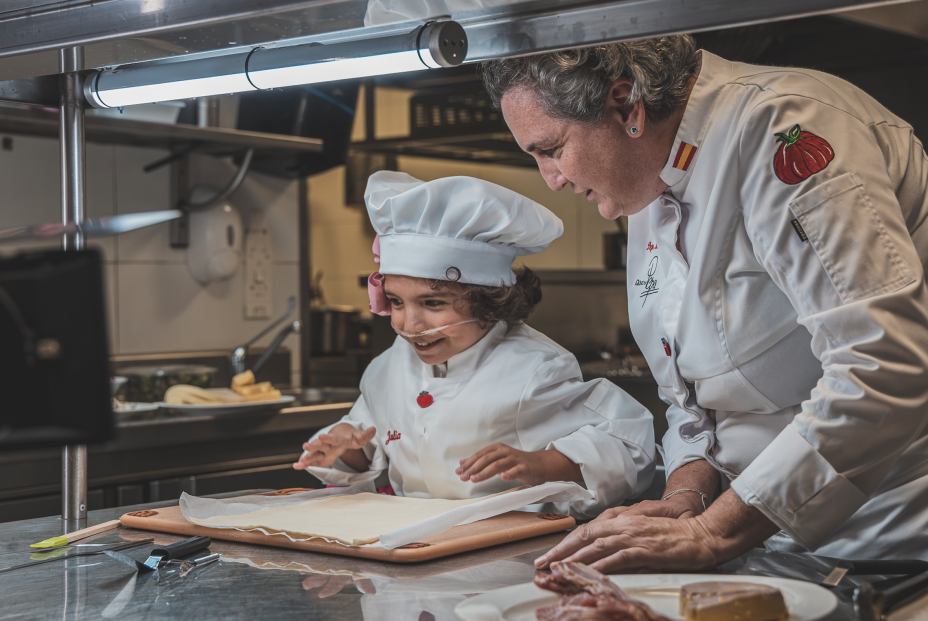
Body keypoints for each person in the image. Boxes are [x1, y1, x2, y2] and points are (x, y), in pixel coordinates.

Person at [479, 35, 928, 568]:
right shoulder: (649, 173)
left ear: (625, 106)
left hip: (885, 544)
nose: (551, 180)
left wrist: (713, 532)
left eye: (552, 150)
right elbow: (692, 397)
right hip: (762, 538)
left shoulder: (782, 127)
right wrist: (684, 498)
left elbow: (880, 365)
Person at [293, 171, 656, 518]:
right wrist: (344, 448)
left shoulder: (535, 368)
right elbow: (369, 448)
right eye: (396, 302)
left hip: (505, 546)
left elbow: (630, 449)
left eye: (433, 303)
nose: (409, 324)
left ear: (487, 301)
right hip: (415, 543)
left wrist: (540, 464)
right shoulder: (387, 369)